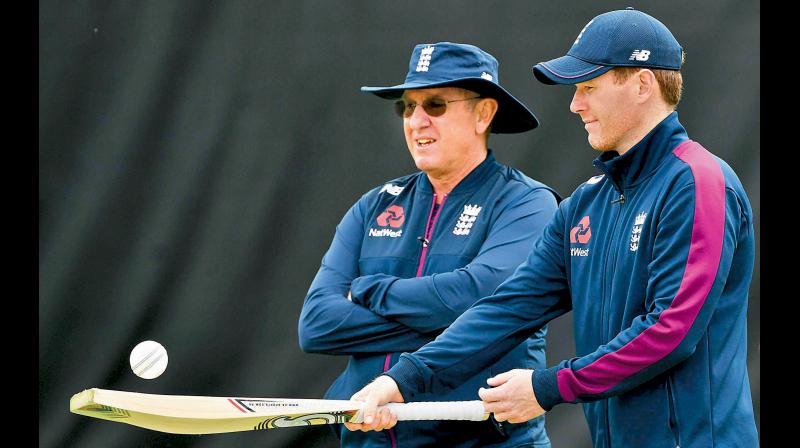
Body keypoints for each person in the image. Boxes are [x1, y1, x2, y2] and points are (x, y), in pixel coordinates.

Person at [346, 8, 758, 448]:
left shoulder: (697, 181)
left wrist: (548, 386)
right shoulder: (587, 202)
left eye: (588, 87)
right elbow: (509, 306)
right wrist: (402, 380)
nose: (574, 103)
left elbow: (670, 332)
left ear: (642, 84)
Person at [298, 41, 560, 447]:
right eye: (406, 106)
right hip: (368, 437)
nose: (415, 120)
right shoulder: (373, 206)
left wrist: (369, 290)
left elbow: (489, 301)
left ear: (484, 113)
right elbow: (316, 325)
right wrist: (456, 326)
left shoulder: (527, 202)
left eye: (435, 104)